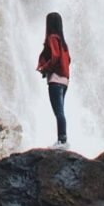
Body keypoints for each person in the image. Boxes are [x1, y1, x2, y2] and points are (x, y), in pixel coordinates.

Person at [36, 11, 71, 149]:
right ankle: (62, 140)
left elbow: (55, 57)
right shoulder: (63, 42)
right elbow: (68, 59)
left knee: (59, 112)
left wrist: (45, 68)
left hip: (55, 80)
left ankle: (62, 141)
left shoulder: (52, 38)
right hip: (64, 81)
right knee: (61, 111)